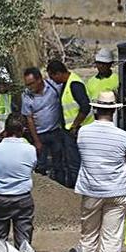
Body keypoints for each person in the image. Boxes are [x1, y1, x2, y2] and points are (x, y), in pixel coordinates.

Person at [71, 91, 126, 252]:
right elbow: (125, 156)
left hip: (91, 191)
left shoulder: (83, 133)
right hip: (116, 190)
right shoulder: (122, 136)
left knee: (88, 237)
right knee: (111, 238)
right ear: (113, 111)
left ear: (95, 109)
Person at [0, 113, 38, 248]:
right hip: (23, 199)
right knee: (23, 243)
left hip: (0, 199)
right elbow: (32, 168)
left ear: (6, 129)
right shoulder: (30, 150)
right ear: (23, 130)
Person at [46, 60, 91, 189]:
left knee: (75, 164)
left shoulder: (74, 84)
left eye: (52, 77)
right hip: (70, 130)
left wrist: (75, 125)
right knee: (71, 163)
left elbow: (85, 107)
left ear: (58, 73)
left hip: (77, 130)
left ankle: (78, 190)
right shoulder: (66, 84)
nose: (53, 81)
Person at [22, 67, 66, 185]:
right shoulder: (26, 96)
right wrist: (36, 141)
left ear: (39, 79)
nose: (29, 87)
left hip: (56, 132)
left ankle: (62, 188)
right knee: (41, 165)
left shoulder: (53, 86)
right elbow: (29, 119)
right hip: (40, 135)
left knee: (59, 164)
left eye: (31, 83)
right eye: (27, 85)